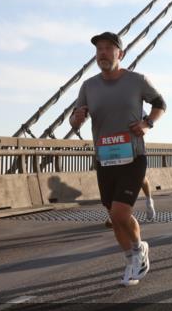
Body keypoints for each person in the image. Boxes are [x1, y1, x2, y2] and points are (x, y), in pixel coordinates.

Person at [70, 31, 165, 286]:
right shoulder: (89, 86)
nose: (102, 53)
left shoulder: (136, 80)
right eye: (98, 49)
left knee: (121, 212)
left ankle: (139, 248)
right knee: (113, 217)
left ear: (120, 54)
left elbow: (160, 104)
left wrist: (147, 124)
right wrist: (76, 120)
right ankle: (131, 258)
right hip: (104, 159)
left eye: (108, 49)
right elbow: (75, 117)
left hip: (133, 156)